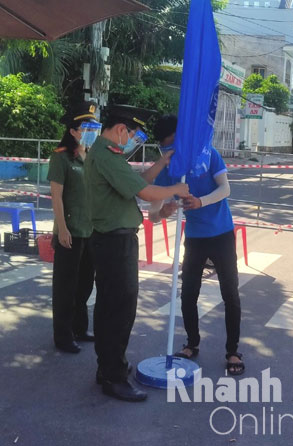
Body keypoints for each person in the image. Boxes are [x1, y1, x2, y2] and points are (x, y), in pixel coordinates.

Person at [84, 105, 189, 402]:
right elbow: (145, 193)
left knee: (110, 308)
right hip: (114, 243)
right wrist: (177, 188)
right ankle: (114, 377)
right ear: (120, 130)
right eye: (131, 133)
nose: (131, 139)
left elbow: (139, 182)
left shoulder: (107, 155)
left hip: (112, 241)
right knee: (119, 310)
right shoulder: (107, 155)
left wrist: (160, 162)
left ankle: (108, 368)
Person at [148, 114, 244, 376]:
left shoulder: (207, 154)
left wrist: (201, 201)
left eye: (172, 145)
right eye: (164, 148)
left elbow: (225, 189)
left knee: (230, 294)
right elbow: (152, 214)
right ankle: (191, 343)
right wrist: (164, 213)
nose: (169, 151)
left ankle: (233, 350)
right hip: (195, 238)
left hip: (222, 233)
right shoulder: (169, 169)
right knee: (189, 293)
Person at [48, 101, 99, 354]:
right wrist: (62, 229)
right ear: (73, 131)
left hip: (89, 231)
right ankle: (63, 335)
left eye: (93, 126)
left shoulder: (88, 155)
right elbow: (56, 197)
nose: (91, 130)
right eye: (86, 127)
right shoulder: (61, 157)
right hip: (70, 231)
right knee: (65, 287)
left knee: (85, 285)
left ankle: (80, 328)